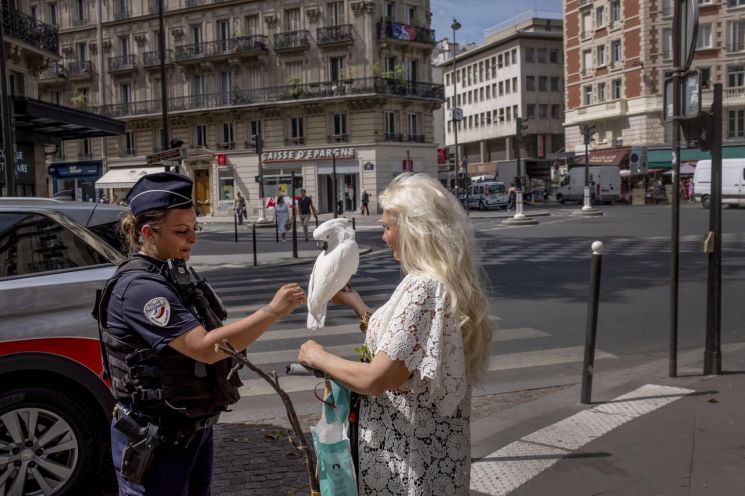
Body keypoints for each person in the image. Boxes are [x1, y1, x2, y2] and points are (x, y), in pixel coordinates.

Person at [96, 172, 305, 495]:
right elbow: (205, 347)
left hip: (189, 430)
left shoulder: (173, 273)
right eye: (181, 231)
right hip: (156, 437)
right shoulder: (140, 288)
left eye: (195, 229)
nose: (192, 238)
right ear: (148, 233)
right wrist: (272, 311)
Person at [298, 173, 493, 495]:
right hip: (435, 454)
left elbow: (378, 378)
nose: (384, 238)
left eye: (388, 227)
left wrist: (319, 357)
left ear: (415, 230)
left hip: (410, 460)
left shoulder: (423, 287)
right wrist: (357, 304)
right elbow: (409, 343)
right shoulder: (444, 280)